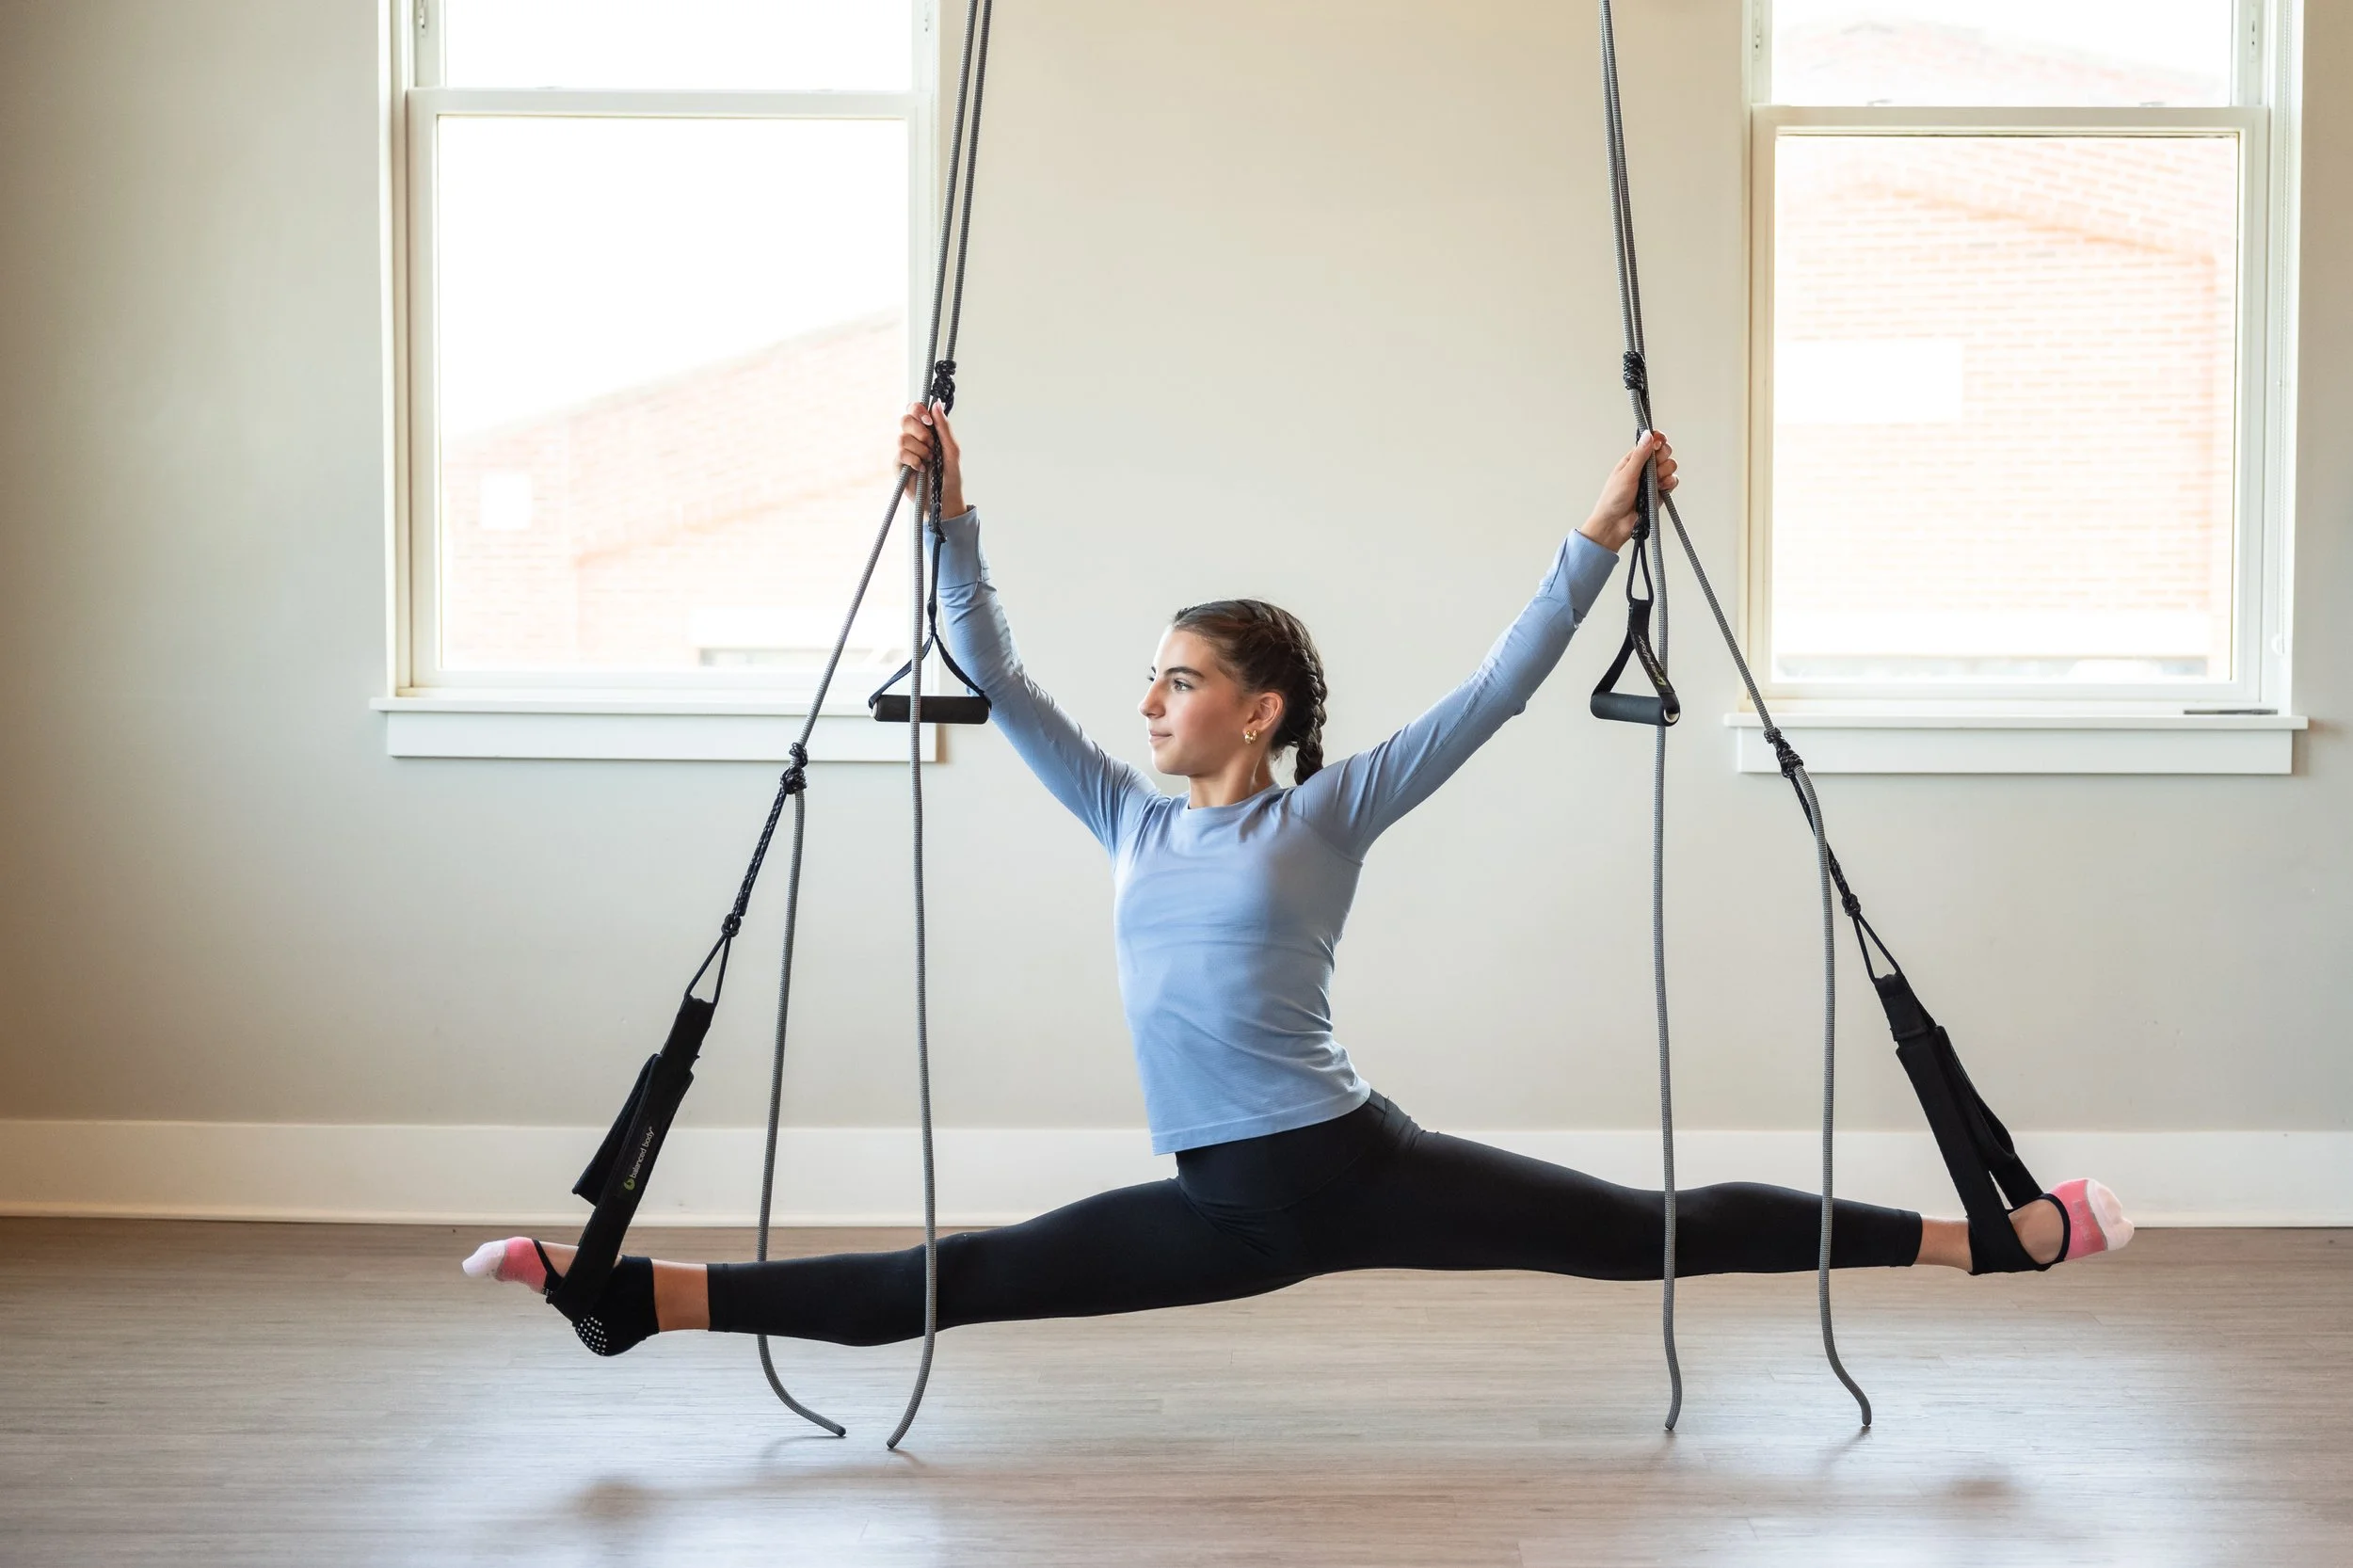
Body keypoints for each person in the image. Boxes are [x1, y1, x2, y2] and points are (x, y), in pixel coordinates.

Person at [466, 405, 2133, 1358]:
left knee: (1657, 1232)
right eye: (1152, 678)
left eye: (1181, 679)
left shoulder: (1326, 816)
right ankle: (628, 1297)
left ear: (1257, 711)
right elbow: (998, 670)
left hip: (1352, 1166)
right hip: (1223, 1205)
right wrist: (948, 515)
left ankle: (1998, 1241)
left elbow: (1498, 687)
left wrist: (1599, 536)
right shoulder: (1128, 820)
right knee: (962, 1276)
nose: (1150, 701)